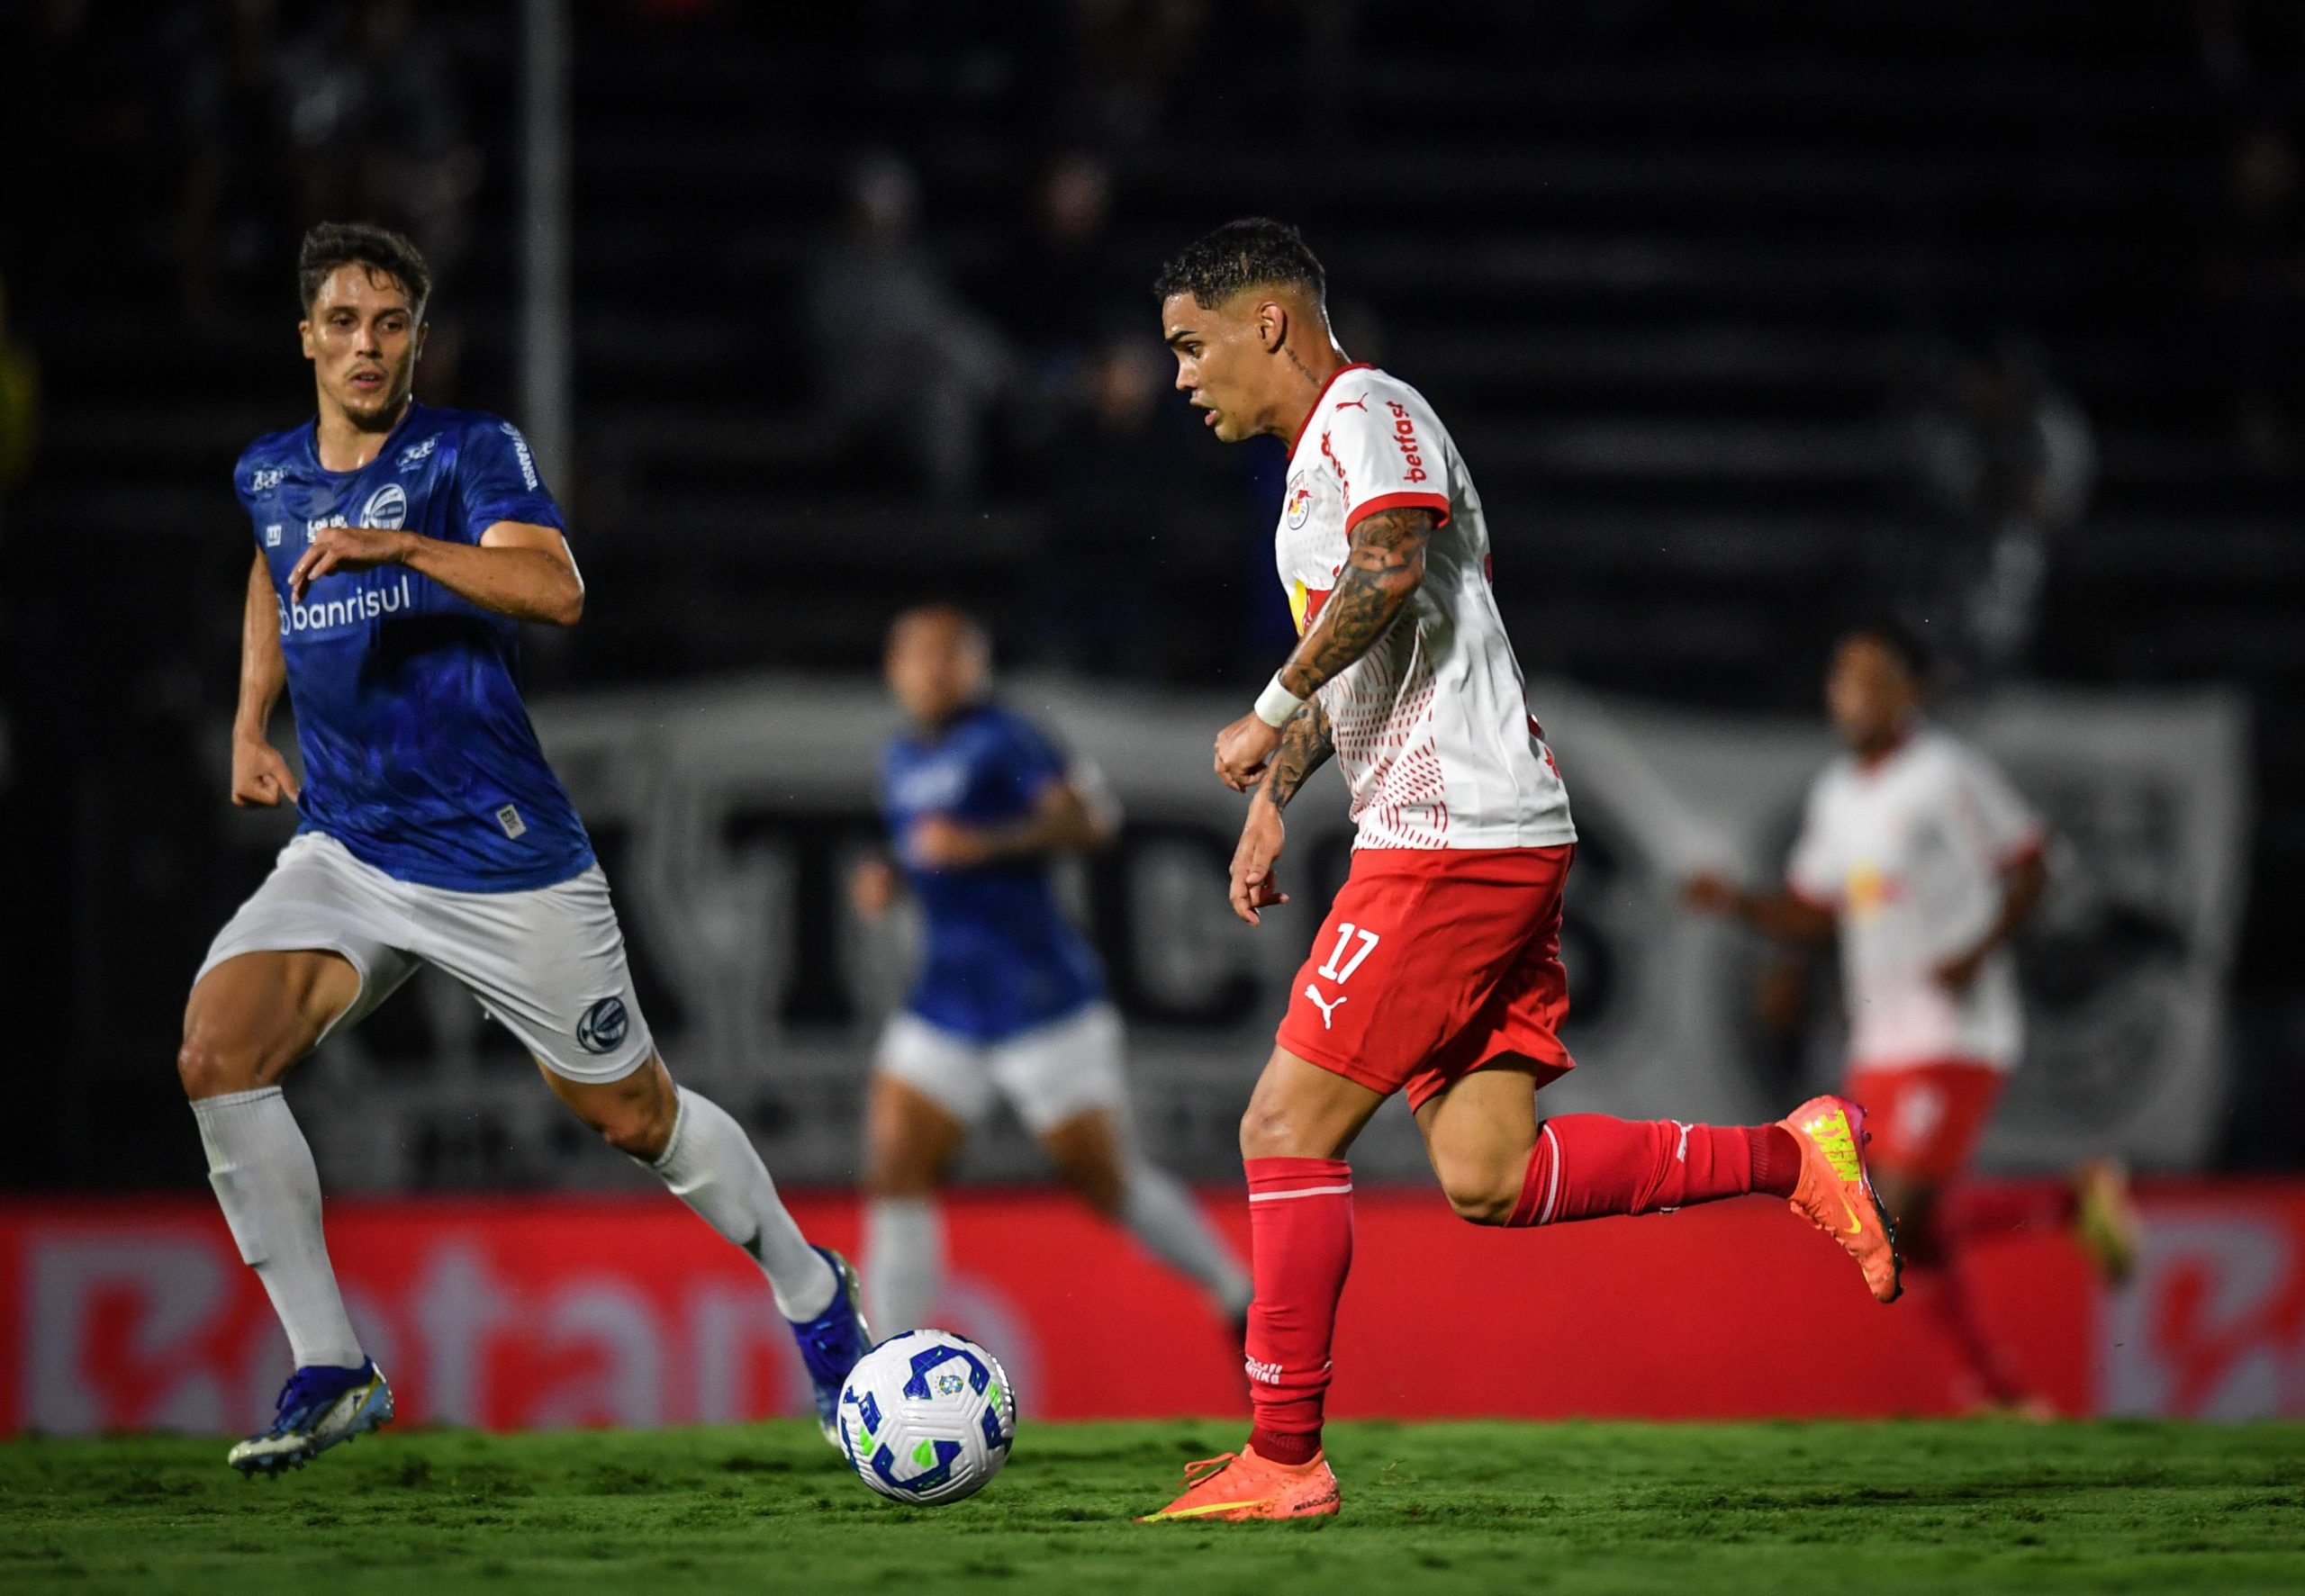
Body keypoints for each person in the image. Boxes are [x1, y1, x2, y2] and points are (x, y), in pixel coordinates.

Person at [1138, 219, 1903, 1525]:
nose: (1180, 376)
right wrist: (1279, 795)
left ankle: (1283, 1455)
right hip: (1476, 832)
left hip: (1457, 838)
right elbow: (1374, 640)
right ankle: (1792, 1157)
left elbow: (1385, 570)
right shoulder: (1318, 461)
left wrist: (1267, 706)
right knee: (1491, 1175)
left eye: (1190, 344)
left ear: (1267, 322)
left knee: (1280, 1125)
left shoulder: (1366, 413)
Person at [182, 222, 870, 1475]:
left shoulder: (467, 453)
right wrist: (247, 721)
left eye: (390, 324)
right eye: (342, 322)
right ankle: (331, 1365)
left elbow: (556, 591)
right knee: (218, 1051)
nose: (366, 347)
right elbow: (270, 570)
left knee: (635, 1117)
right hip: (346, 847)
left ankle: (813, 1293)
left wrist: (397, 546)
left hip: (501, 857)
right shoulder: (270, 473)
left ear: (417, 340)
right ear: (307, 338)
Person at [1683, 624, 2138, 1415]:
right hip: (1881, 1034)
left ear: (1910, 692)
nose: (1857, 694)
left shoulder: (1946, 773)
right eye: (1846, 678)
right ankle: (1999, 1391)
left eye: (1876, 678)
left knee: (1895, 1212)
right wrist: (1743, 911)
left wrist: (1976, 948)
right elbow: (1819, 910)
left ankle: (2071, 1205)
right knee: (1898, 1232)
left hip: (1956, 1029)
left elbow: (2031, 863)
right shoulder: (1837, 795)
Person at [854, 605, 1252, 1339]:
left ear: (978, 665)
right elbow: (931, 852)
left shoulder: (1007, 737)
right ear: (895, 669)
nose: (935, 669)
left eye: (952, 654)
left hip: (1040, 1000)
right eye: (921, 654)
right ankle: (887, 1358)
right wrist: (894, 874)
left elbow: (1092, 821)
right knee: (896, 1167)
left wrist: (985, 842)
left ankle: (1235, 1294)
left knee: (1104, 1181)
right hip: (945, 1003)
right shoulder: (900, 756)